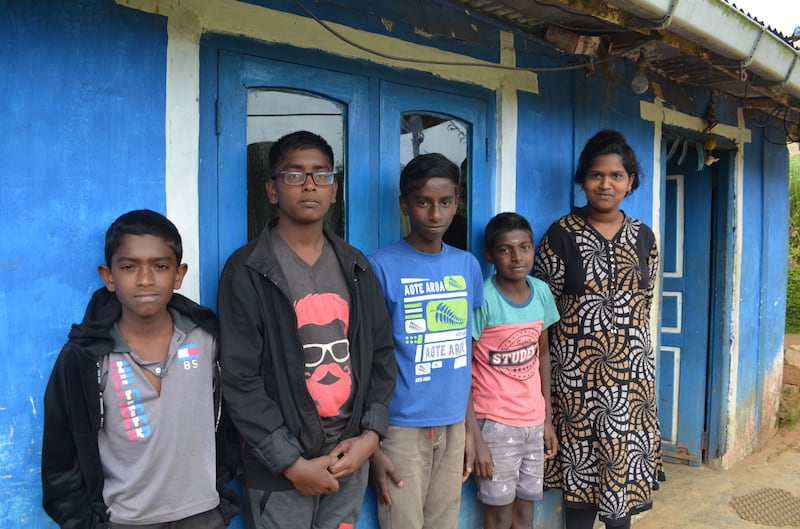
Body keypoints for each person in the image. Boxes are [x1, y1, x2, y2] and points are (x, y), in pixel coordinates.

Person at [217, 130, 397, 529]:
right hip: (280, 469)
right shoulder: (248, 270)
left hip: (348, 457)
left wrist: (370, 437)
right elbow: (240, 377)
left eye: (321, 174)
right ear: (272, 189)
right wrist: (292, 464)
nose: (310, 184)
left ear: (335, 190)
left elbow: (381, 355)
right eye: (294, 175)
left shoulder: (355, 266)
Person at [41, 209, 240, 529]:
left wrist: (222, 500)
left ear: (179, 274)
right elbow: (60, 458)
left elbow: (235, 415)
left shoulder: (208, 339)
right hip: (124, 521)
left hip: (203, 514)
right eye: (129, 267)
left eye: (160, 266)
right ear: (109, 276)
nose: (145, 279)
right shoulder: (85, 358)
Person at [534, 129, 663, 529]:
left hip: (631, 385)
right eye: (596, 175)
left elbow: (644, 303)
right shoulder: (560, 235)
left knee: (620, 486)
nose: (605, 184)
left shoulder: (644, 237)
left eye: (616, 176)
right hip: (578, 385)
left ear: (631, 181)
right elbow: (541, 312)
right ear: (583, 178)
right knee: (582, 489)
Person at [368, 152, 484, 529]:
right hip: (400, 428)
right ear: (405, 205)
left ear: (456, 203)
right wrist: (373, 445)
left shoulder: (467, 265)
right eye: (423, 203)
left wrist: (469, 427)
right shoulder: (380, 267)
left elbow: (463, 351)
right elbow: (369, 358)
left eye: (445, 203)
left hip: (452, 424)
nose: (435, 215)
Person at [469, 212, 560, 529]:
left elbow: (544, 356)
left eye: (524, 247)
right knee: (499, 513)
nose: (517, 257)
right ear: (490, 255)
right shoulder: (483, 299)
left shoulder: (542, 293)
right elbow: (463, 369)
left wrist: (547, 419)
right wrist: (475, 438)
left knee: (525, 512)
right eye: (506, 249)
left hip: (533, 422)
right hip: (495, 423)